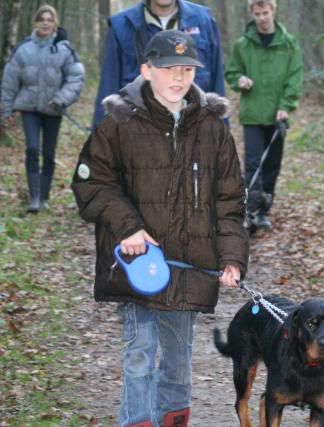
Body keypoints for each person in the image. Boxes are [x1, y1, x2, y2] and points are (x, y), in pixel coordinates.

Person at [72, 30, 249, 427]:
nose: (179, 78)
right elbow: (91, 183)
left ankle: (171, 421)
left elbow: (230, 201)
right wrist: (128, 227)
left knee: (177, 359)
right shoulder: (117, 122)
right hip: (139, 266)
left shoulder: (212, 127)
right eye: (169, 68)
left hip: (189, 266)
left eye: (187, 69)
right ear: (146, 70)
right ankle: (135, 421)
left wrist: (233, 257)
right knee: (139, 353)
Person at [225, 0, 303, 231]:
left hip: (277, 116)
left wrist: (286, 106)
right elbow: (232, 71)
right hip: (252, 115)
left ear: (273, 11)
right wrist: (239, 80)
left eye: (265, 13)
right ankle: (252, 210)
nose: (261, 18)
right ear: (252, 13)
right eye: (257, 13)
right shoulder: (243, 45)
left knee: (272, 165)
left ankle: (265, 208)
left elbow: (294, 77)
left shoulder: (288, 44)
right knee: (252, 163)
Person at [1, 4, 84, 213]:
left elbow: (76, 78)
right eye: (41, 19)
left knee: (48, 153)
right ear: (35, 23)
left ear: (55, 23)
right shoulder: (23, 49)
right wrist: (6, 111)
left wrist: (61, 99)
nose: (45, 23)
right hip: (29, 108)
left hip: (53, 109)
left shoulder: (64, 49)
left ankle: (45, 196)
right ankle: (34, 199)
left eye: (49, 19)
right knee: (31, 149)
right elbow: (9, 82)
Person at [92, 0, 225, 127]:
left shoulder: (204, 20)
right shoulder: (121, 25)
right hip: (139, 131)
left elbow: (217, 82)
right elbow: (109, 85)